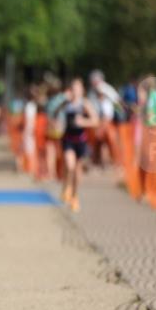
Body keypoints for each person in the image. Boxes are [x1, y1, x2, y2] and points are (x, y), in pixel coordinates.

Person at [53, 77, 99, 212]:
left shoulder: (84, 104)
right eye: (73, 89)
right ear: (70, 90)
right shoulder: (66, 103)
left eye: (78, 89)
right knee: (70, 165)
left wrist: (83, 122)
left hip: (81, 140)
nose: (75, 91)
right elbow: (54, 112)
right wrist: (57, 123)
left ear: (82, 90)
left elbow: (95, 120)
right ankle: (66, 187)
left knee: (77, 171)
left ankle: (75, 196)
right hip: (68, 139)